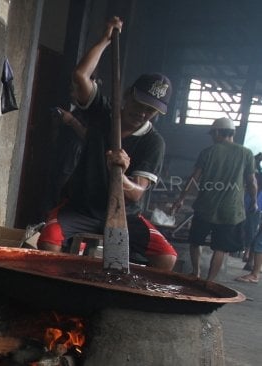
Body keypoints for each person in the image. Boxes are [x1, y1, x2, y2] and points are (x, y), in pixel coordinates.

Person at [36, 16, 178, 270]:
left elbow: (136, 194)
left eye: (152, 110)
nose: (143, 113)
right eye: (140, 104)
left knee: (167, 258)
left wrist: (122, 175)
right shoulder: (104, 113)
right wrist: (105, 39)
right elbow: (80, 76)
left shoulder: (153, 142)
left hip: (124, 215)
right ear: (127, 95)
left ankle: (127, 300)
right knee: (49, 241)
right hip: (80, 207)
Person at [171, 117, 258, 281]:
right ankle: (209, 281)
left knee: (195, 241)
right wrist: (253, 200)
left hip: (205, 207)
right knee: (221, 248)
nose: (212, 137)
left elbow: (193, 178)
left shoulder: (208, 152)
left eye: (212, 134)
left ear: (217, 132)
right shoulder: (246, 153)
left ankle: (195, 274)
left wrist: (181, 198)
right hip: (230, 211)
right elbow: (252, 182)